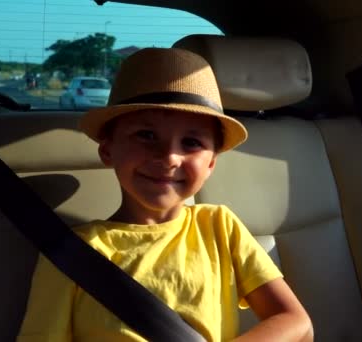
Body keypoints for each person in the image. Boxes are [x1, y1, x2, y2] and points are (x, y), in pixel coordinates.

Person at [18, 47, 313, 341]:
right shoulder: (75, 253)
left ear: (210, 163)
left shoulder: (219, 226)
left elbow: (296, 322)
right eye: (146, 135)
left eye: (191, 142)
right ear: (108, 150)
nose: (169, 157)